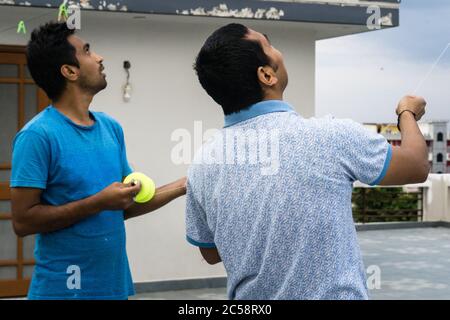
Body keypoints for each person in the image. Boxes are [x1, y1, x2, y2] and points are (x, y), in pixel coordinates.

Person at [185, 23, 430, 300]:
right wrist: (407, 112)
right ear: (266, 75)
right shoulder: (329, 137)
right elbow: (416, 165)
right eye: (268, 44)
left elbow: (210, 252)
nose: (278, 51)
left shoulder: (202, 163)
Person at [10, 22, 186, 300]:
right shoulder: (37, 136)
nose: (100, 57)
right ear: (69, 71)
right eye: (88, 51)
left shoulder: (110, 127)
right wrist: (98, 202)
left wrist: (185, 184)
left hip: (113, 284)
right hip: (63, 290)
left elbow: (122, 205)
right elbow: (22, 222)